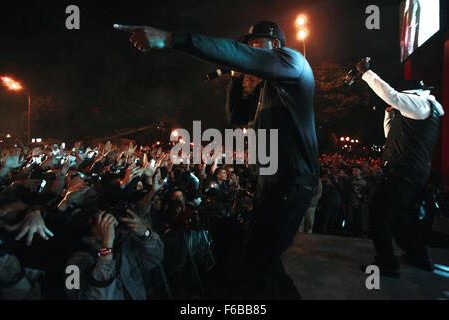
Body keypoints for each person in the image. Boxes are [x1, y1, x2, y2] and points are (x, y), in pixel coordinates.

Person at [113, 19, 320, 299]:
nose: (250, 51)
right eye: (249, 46)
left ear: (276, 46)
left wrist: (174, 38)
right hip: (271, 180)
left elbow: (239, 54)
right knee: (258, 261)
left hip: (292, 180)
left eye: (256, 45)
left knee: (262, 263)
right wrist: (235, 79)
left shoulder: (295, 63)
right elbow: (237, 117)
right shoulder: (265, 89)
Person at [356, 58, 444, 277]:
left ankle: (387, 263)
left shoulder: (420, 103)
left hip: (402, 173)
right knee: (404, 220)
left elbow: (392, 95)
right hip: (412, 174)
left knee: (379, 214)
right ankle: (418, 257)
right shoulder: (419, 112)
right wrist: (389, 113)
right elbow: (391, 138)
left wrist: (367, 73)